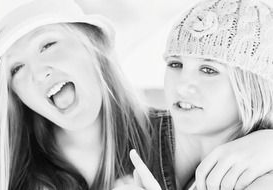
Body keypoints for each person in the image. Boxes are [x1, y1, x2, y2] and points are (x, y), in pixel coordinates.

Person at [0, 0, 153, 189]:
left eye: (47, 45)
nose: (39, 74)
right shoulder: (3, 176)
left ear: (93, 43)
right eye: (17, 68)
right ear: (16, 96)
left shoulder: (178, 140)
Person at [113, 0, 273, 189]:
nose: (181, 87)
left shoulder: (261, 179)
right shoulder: (133, 131)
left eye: (208, 70)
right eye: (175, 64)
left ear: (252, 88)